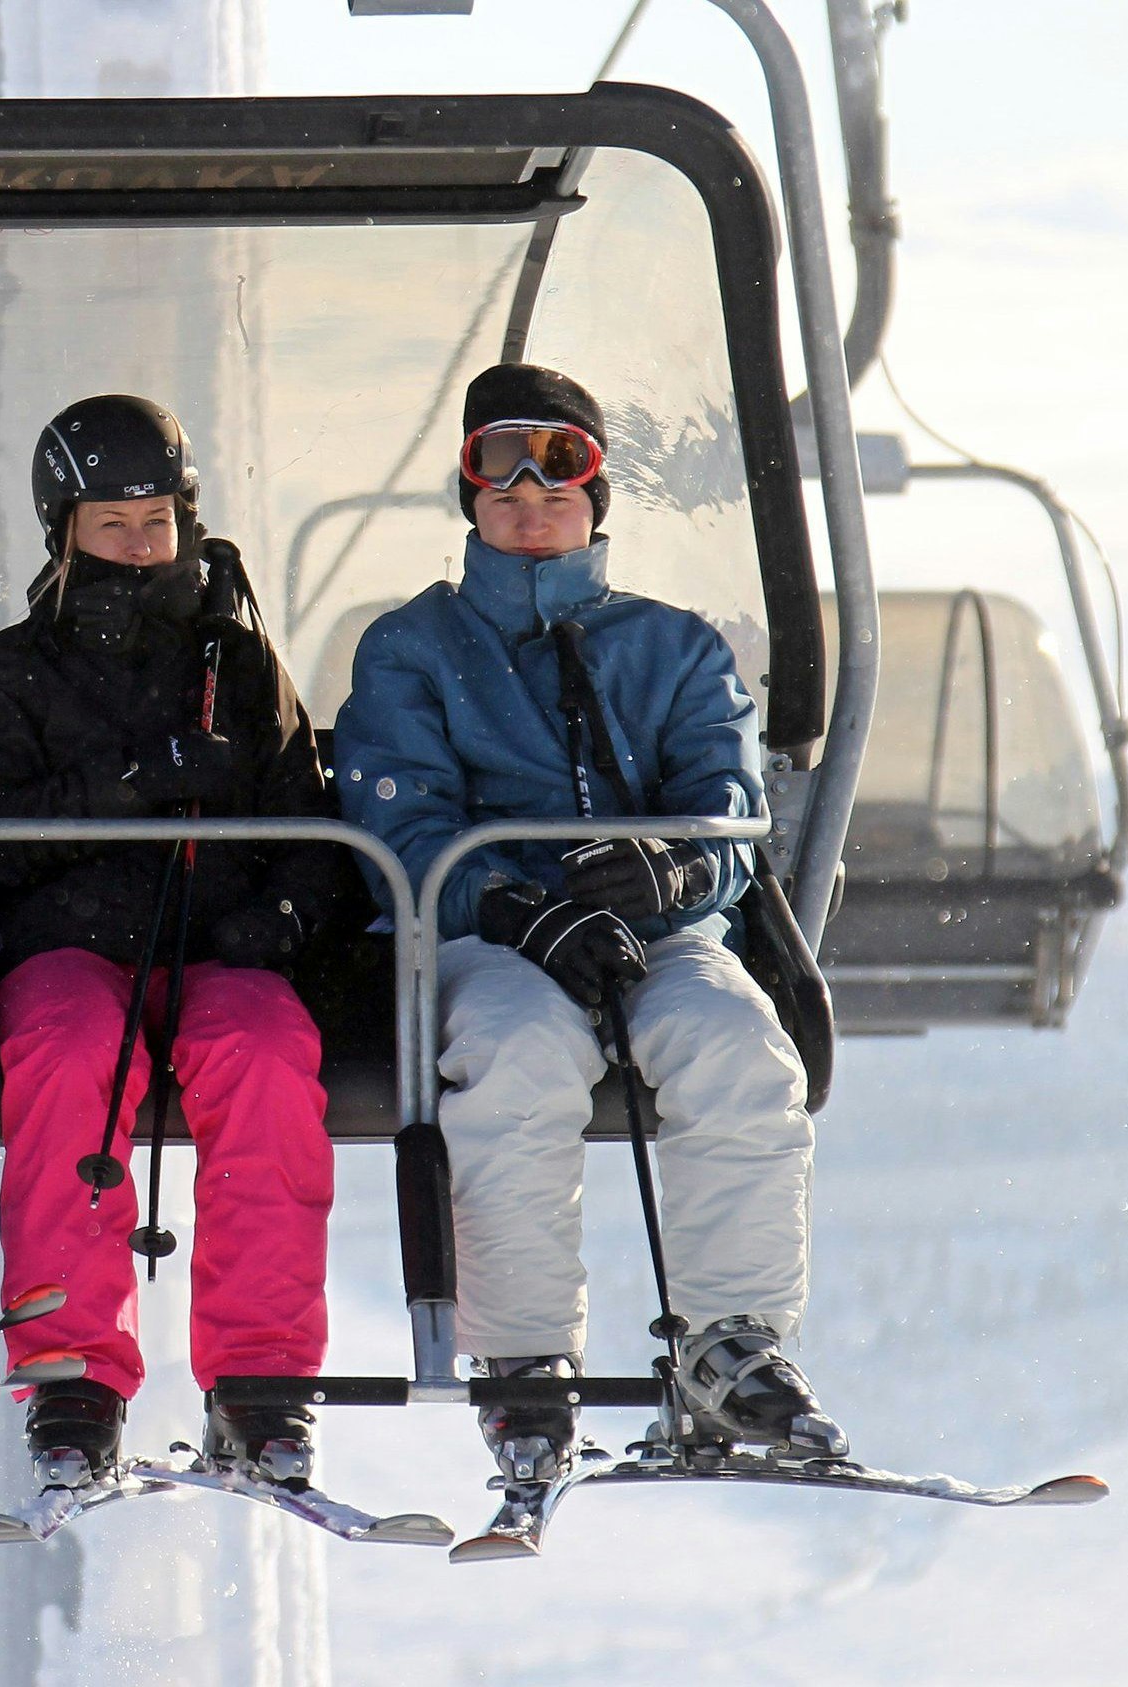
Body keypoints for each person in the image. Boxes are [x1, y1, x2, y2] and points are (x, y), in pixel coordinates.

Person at [333, 362, 840, 1483]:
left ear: (596, 498)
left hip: (652, 932)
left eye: (559, 475)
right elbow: (399, 826)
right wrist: (512, 901)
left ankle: (732, 1340)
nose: (529, 501)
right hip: (494, 939)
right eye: (499, 477)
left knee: (738, 1049)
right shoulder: (412, 649)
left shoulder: (674, 648)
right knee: (518, 1059)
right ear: (468, 498)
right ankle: (525, 1365)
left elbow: (728, 807)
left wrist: (666, 878)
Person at [0, 395, 355, 1491]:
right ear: (63, 528)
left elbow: (313, 829)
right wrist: (124, 789)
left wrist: (280, 919)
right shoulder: (11, 671)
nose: (139, 541)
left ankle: (261, 1382)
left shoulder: (241, 666)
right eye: (111, 522)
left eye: (157, 519)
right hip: (77, 949)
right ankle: (72, 1376)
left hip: (216, 946)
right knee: (73, 1056)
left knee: (266, 1054)